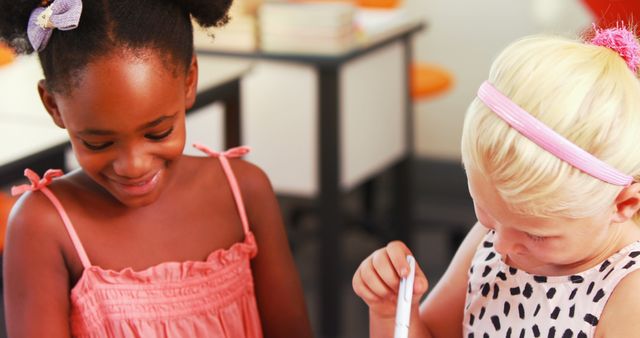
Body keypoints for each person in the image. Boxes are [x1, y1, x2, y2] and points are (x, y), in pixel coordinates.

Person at [0, 0, 313, 337]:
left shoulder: (245, 192)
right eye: (98, 143)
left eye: (158, 133)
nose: (133, 166)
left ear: (189, 81)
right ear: (53, 105)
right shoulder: (42, 226)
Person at [353, 25, 640, 337]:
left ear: (624, 204)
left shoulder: (628, 294)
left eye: (537, 236)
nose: (501, 246)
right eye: (485, 213)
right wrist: (392, 311)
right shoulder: (495, 235)